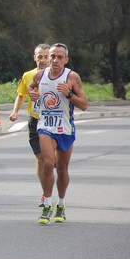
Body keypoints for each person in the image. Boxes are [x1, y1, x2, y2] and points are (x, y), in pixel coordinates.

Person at [29, 43, 88, 225]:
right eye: (52, 56)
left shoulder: (72, 77)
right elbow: (32, 87)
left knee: (62, 170)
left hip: (65, 129)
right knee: (48, 163)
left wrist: (69, 94)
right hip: (45, 126)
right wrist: (33, 94)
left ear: (66, 60)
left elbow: (84, 104)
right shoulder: (40, 75)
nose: (55, 60)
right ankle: (47, 204)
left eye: (59, 57)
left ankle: (61, 204)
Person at [9, 43, 50, 207]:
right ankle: (45, 193)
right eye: (40, 56)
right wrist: (15, 112)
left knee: (52, 161)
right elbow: (21, 95)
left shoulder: (57, 75)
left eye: (46, 56)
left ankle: (51, 187)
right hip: (35, 120)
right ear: (35, 58)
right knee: (40, 158)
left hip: (53, 121)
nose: (43, 60)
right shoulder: (28, 75)